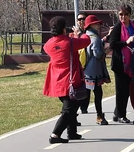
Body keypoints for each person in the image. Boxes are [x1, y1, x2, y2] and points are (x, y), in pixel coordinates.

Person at [42, 15, 90, 143]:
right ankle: (55, 135)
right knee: (68, 110)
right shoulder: (70, 43)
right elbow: (86, 41)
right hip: (71, 82)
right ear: (63, 29)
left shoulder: (49, 45)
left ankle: (72, 132)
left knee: (72, 107)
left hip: (57, 82)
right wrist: (79, 33)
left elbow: (53, 46)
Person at [105, 4, 134, 123]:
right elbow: (113, 44)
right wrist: (126, 42)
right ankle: (121, 115)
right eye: (120, 14)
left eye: (126, 14)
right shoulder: (117, 28)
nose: (123, 17)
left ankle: (117, 113)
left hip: (131, 63)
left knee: (127, 90)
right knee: (121, 91)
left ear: (130, 15)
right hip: (120, 64)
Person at [81, 14, 110, 125]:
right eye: (97, 23)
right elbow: (98, 54)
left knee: (84, 94)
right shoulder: (95, 38)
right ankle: (100, 116)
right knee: (98, 94)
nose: (99, 25)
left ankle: (74, 117)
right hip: (95, 71)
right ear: (91, 25)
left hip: (86, 70)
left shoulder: (85, 36)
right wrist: (106, 51)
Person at [75, 13, 89, 116]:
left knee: (87, 86)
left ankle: (84, 107)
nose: (81, 21)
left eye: (83, 19)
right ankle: (75, 111)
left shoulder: (88, 32)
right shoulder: (73, 34)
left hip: (88, 63)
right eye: (79, 19)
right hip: (77, 64)